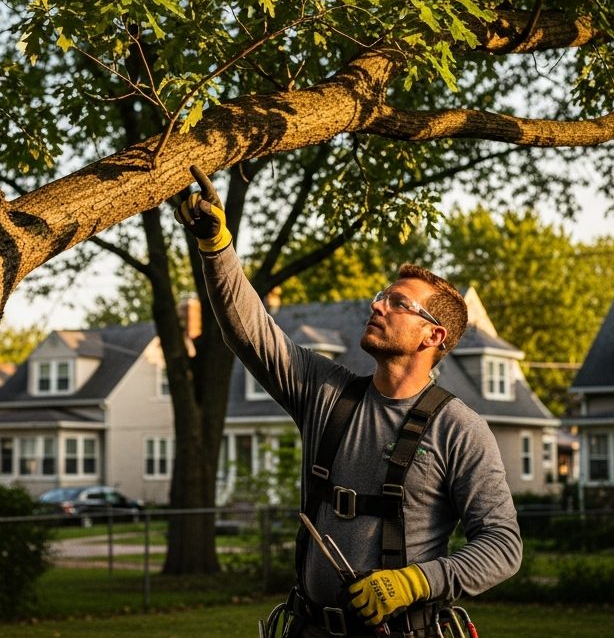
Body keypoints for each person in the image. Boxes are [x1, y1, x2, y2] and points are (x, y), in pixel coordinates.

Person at [174, 167, 522, 638]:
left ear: (433, 336)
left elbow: (502, 546)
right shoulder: (326, 393)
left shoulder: (459, 429)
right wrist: (216, 249)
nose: (378, 306)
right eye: (381, 297)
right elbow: (248, 331)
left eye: (398, 303)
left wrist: (416, 581)